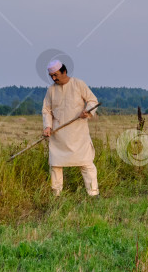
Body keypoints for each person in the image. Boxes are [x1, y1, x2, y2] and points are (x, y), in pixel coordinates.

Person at [41, 59, 100, 198]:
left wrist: (88, 111)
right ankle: (56, 196)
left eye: (56, 75)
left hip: (78, 133)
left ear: (64, 71)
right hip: (58, 134)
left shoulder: (78, 84)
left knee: (86, 164)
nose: (54, 78)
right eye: (51, 76)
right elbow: (46, 110)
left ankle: (93, 194)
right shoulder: (51, 90)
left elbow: (93, 100)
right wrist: (47, 127)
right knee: (55, 165)